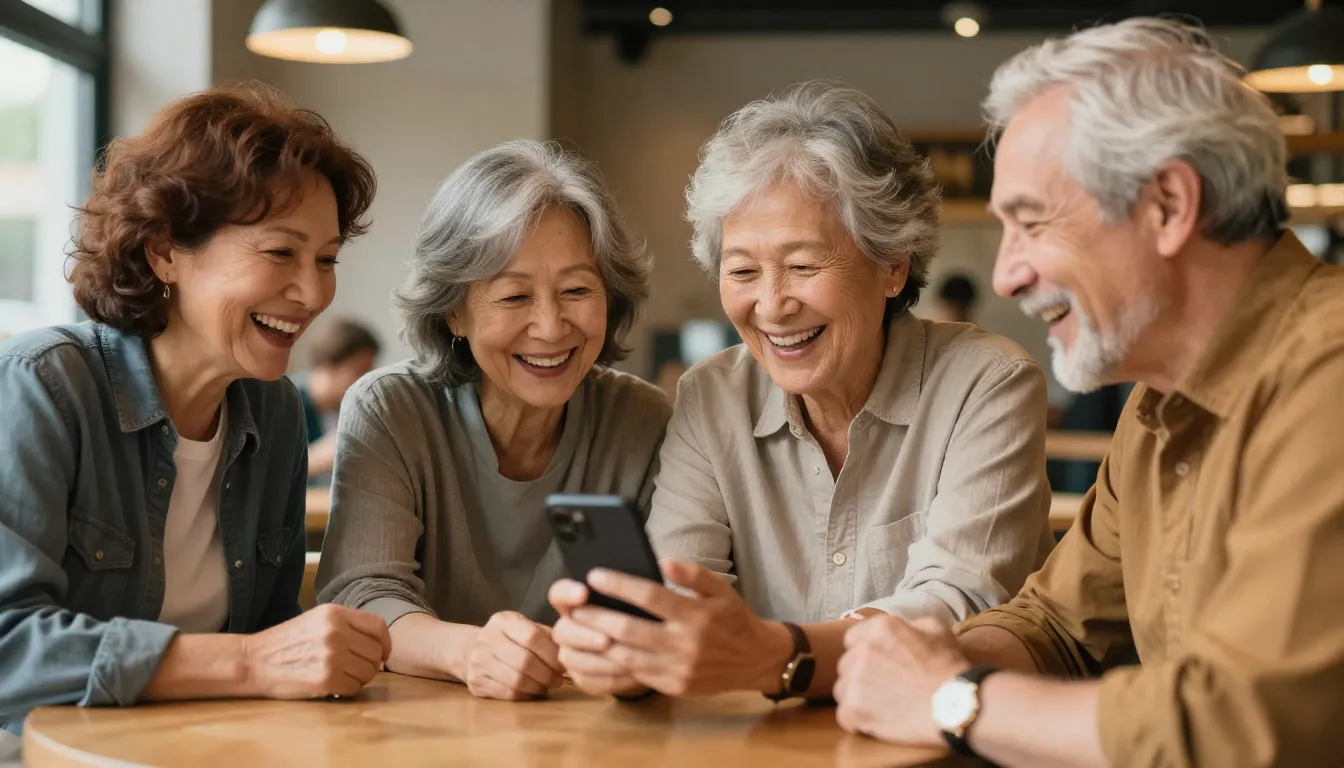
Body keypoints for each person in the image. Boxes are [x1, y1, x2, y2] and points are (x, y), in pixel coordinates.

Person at [832, 18, 1344, 768]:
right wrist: (914, 663)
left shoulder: (1327, 372)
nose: (1007, 276)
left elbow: (1245, 727)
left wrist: (951, 698)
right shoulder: (1158, 401)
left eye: (1031, 224)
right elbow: (1057, 626)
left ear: (1168, 204)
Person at [548, 80, 1054, 702]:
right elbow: (682, 581)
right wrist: (637, 644)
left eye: (803, 265)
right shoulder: (712, 396)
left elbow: (959, 600)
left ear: (892, 264)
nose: (771, 304)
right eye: (741, 270)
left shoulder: (987, 382)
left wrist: (773, 656)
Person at [0, 83, 392, 758]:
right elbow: (9, 650)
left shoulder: (270, 410)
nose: (313, 292)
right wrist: (249, 662)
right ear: (163, 252)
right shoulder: (45, 386)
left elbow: (276, 635)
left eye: (326, 260)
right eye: (280, 253)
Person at [315, 140, 671, 702]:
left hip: (591, 729)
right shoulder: (391, 409)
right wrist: (468, 651)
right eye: (514, 296)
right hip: (416, 730)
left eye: (577, 290)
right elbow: (362, 592)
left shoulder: (643, 420)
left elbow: (668, 605)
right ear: (454, 309)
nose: (551, 327)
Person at [291, 317, 380, 482]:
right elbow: (268, 473)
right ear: (328, 364)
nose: (366, 381)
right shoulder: (284, 402)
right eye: (360, 370)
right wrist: (319, 457)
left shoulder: (349, 408)